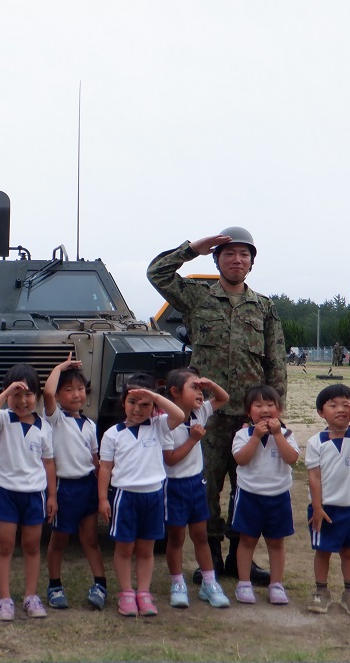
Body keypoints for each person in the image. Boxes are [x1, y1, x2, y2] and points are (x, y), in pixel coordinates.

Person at [147, 227, 286, 585]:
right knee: (205, 487)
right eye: (229, 254)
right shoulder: (198, 298)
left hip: (249, 417)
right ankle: (209, 557)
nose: (236, 260)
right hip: (204, 417)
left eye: (244, 255)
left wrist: (275, 411)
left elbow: (276, 362)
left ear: (252, 263)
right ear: (217, 260)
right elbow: (157, 273)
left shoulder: (264, 308)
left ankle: (242, 559)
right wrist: (191, 248)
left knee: (248, 487)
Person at [98, 375, 184, 617]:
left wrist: (155, 396)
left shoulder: (159, 426)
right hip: (125, 497)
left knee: (146, 549)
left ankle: (143, 593)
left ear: (154, 407)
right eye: (132, 402)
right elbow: (105, 468)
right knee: (124, 548)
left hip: (153, 497)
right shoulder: (112, 434)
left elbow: (179, 416)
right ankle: (126, 593)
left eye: (145, 404)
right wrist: (103, 499)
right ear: (123, 402)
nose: (137, 409)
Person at [0, 364, 57, 622]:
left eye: (28, 394)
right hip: (6, 492)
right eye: (16, 394)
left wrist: (52, 497)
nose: (23, 401)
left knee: (32, 546)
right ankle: (4, 599)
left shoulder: (44, 427)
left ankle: (30, 596)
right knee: (4, 545)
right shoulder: (3, 419)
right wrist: (5, 394)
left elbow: (48, 464)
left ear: (37, 395)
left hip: (35, 494)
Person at [162, 368, 230, 609]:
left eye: (202, 389)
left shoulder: (200, 412)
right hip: (174, 486)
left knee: (200, 534)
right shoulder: (167, 423)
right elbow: (170, 459)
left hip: (196, 483)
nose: (201, 394)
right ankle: (177, 582)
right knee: (177, 537)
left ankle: (209, 583)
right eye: (194, 388)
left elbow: (223, 399)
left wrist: (210, 383)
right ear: (175, 392)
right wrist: (192, 440)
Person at [42, 355, 107, 611]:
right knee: (59, 540)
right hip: (63, 488)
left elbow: (96, 459)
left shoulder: (90, 424)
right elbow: (47, 392)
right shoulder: (55, 419)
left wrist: (103, 491)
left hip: (87, 487)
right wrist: (59, 367)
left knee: (90, 538)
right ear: (58, 397)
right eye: (68, 390)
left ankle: (100, 584)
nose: (76, 394)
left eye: (80, 389)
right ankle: (54, 585)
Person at [305, 384, 350, 617]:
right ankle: (321, 591)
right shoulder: (317, 442)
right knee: (323, 551)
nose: (340, 410)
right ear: (321, 412)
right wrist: (317, 507)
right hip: (324, 509)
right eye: (332, 405)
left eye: (346, 404)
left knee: (349, 552)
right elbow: (314, 477)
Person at [230, 385, 300, 606]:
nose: (265, 409)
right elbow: (241, 459)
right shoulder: (242, 434)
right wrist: (256, 437)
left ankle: (276, 584)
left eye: (270, 405)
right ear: (248, 411)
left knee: (276, 542)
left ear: (279, 409)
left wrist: (278, 434)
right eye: (258, 405)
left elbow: (292, 458)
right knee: (247, 540)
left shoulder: (287, 434)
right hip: (249, 496)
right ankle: (243, 583)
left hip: (278, 496)